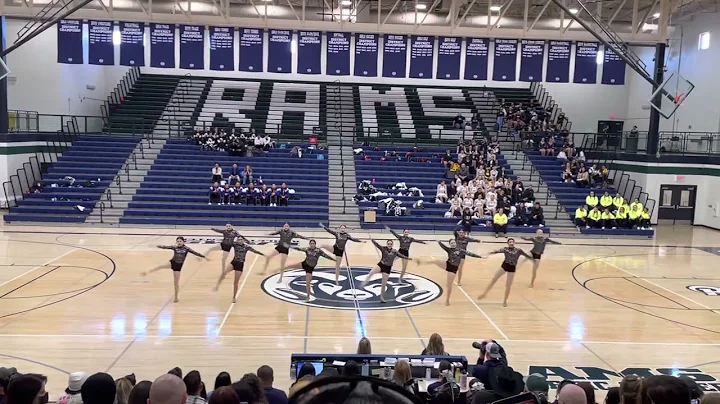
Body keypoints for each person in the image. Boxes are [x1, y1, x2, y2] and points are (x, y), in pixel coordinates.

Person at [418, 240, 484, 306]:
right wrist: (439, 242)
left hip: (453, 269)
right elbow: (443, 246)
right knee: (436, 261)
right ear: (450, 244)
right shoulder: (449, 250)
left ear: (456, 243)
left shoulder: (461, 251)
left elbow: (470, 253)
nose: (453, 244)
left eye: (454, 243)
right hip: (448, 264)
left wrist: (480, 257)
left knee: (449, 285)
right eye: (451, 243)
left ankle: (447, 300)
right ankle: (422, 263)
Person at [142, 237, 207, 303]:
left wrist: (204, 256)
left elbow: (195, 253)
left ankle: (176, 297)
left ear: (183, 242)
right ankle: (147, 272)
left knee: (176, 283)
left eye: (180, 241)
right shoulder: (174, 247)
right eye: (178, 241)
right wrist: (158, 246)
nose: (179, 243)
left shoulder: (187, 248)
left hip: (178, 267)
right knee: (161, 266)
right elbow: (165, 247)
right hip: (172, 262)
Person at [478, 238, 532, 307]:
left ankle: (505, 300)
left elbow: (526, 255)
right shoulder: (505, 249)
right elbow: (497, 251)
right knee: (494, 279)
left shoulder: (519, 250)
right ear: (508, 243)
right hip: (505, 266)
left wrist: (532, 258)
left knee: (508, 285)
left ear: (514, 243)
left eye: (512, 242)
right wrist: (490, 253)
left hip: (512, 268)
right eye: (510, 242)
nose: (511, 243)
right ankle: (484, 294)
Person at [215, 237, 265, 303]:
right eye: (239, 240)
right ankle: (217, 285)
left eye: (241, 239)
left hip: (240, 265)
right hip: (233, 262)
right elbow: (227, 243)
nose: (240, 241)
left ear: (243, 240)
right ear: (237, 241)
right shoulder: (235, 245)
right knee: (224, 272)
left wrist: (263, 254)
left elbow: (255, 251)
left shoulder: (247, 247)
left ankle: (234, 297)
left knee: (235, 282)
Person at [361, 239, 412, 303]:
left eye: (391, 244)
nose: (389, 245)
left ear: (392, 245)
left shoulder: (395, 251)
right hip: (381, 264)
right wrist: (373, 240)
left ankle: (382, 297)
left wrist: (408, 258)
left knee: (383, 284)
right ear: (386, 244)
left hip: (387, 268)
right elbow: (377, 245)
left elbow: (401, 255)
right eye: (388, 244)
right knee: (371, 272)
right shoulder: (383, 248)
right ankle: (365, 282)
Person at [210, 224, 249, 289]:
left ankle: (220, 282)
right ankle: (217, 285)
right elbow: (219, 231)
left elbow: (240, 236)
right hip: (233, 259)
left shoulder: (235, 234)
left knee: (224, 259)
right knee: (223, 262)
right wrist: (213, 229)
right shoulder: (233, 242)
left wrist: (246, 240)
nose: (228, 227)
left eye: (229, 226)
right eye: (227, 226)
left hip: (239, 262)